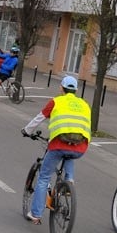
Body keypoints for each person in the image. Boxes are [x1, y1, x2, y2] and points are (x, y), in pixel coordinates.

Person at [20, 76, 91, 224]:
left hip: (59, 144)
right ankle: (69, 182)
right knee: (70, 155)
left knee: (44, 177)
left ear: (61, 88)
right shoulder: (84, 104)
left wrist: (26, 130)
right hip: (80, 147)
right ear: (76, 90)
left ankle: (36, 214)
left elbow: (39, 118)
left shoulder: (56, 101)